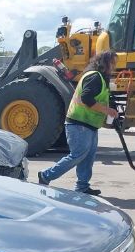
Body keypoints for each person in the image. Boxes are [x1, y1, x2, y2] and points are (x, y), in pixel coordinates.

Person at [38, 51, 119, 195]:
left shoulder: (97, 77)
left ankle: (82, 187)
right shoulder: (95, 77)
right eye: (112, 63)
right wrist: (107, 111)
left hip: (88, 124)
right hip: (79, 123)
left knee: (88, 157)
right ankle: (46, 175)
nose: (114, 67)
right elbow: (87, 99)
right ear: (105, 63)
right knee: (78, 155)